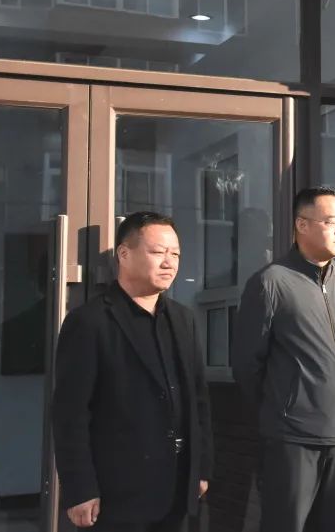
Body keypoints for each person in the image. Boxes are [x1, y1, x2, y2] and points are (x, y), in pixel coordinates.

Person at [52, 211, 213, 531]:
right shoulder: (89, 322)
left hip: (178, 490)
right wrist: (80, 488)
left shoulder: (184, 319)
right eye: (158, 252)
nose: (169, 263)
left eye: (175, 254)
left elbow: (199, 400)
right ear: (124, 254)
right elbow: (70, 413)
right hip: (117, 494)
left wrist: (202, 468)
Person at [233, 186, 335, 532]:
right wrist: (287, 409)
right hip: (292, 443)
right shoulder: (270, 282)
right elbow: (248, 366)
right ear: (302, 225)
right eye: (330, 221)